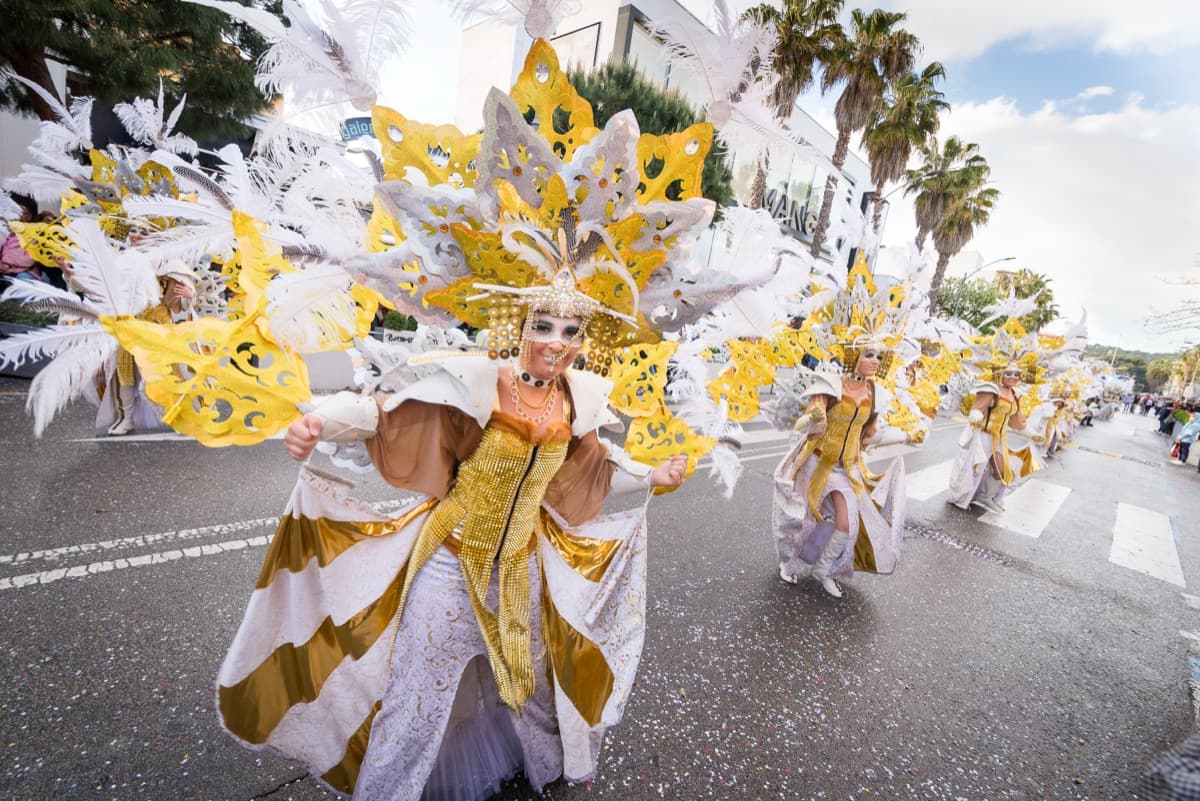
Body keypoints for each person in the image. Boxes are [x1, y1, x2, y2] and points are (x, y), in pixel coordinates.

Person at [218, 274, 688, 800]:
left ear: (582, 340)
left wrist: (652, 476)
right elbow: (385, 415)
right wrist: (318, 423)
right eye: (544, 325)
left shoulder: (576, 403)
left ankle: (548, 765)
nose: (556, 341)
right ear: (520, 326)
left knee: (528, 682)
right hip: (449, 562)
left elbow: (593, 473)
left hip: (520, 570)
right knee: (417, 695)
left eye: (571, 329)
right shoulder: (480, 385)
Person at [773, 344, 908, 598]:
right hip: (816, 462)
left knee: (846, 525)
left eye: (880, 356)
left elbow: (870, 434)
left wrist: (907, 436)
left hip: (845, 468)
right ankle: (789, 564)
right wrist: (817, 417)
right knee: (800, 519)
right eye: (869, 355)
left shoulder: (875, 393)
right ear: (853, 356)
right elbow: (816, 408)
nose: (875, 361)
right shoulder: (832, 385)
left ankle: (823, 570)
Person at [948, 363, 1044, 514]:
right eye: (1009, 373)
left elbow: (1017, 422)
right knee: (974, 468)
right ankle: (960, 497)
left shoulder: (1015, 395)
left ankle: (986, 497)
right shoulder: (990, 389)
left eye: (1016, 374)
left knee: (1003, 470)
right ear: (1000, 373)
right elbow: (976, 409)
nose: (1013, 377)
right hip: (982, 436)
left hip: (999, 439)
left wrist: (1033, 434)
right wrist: (976, 415)